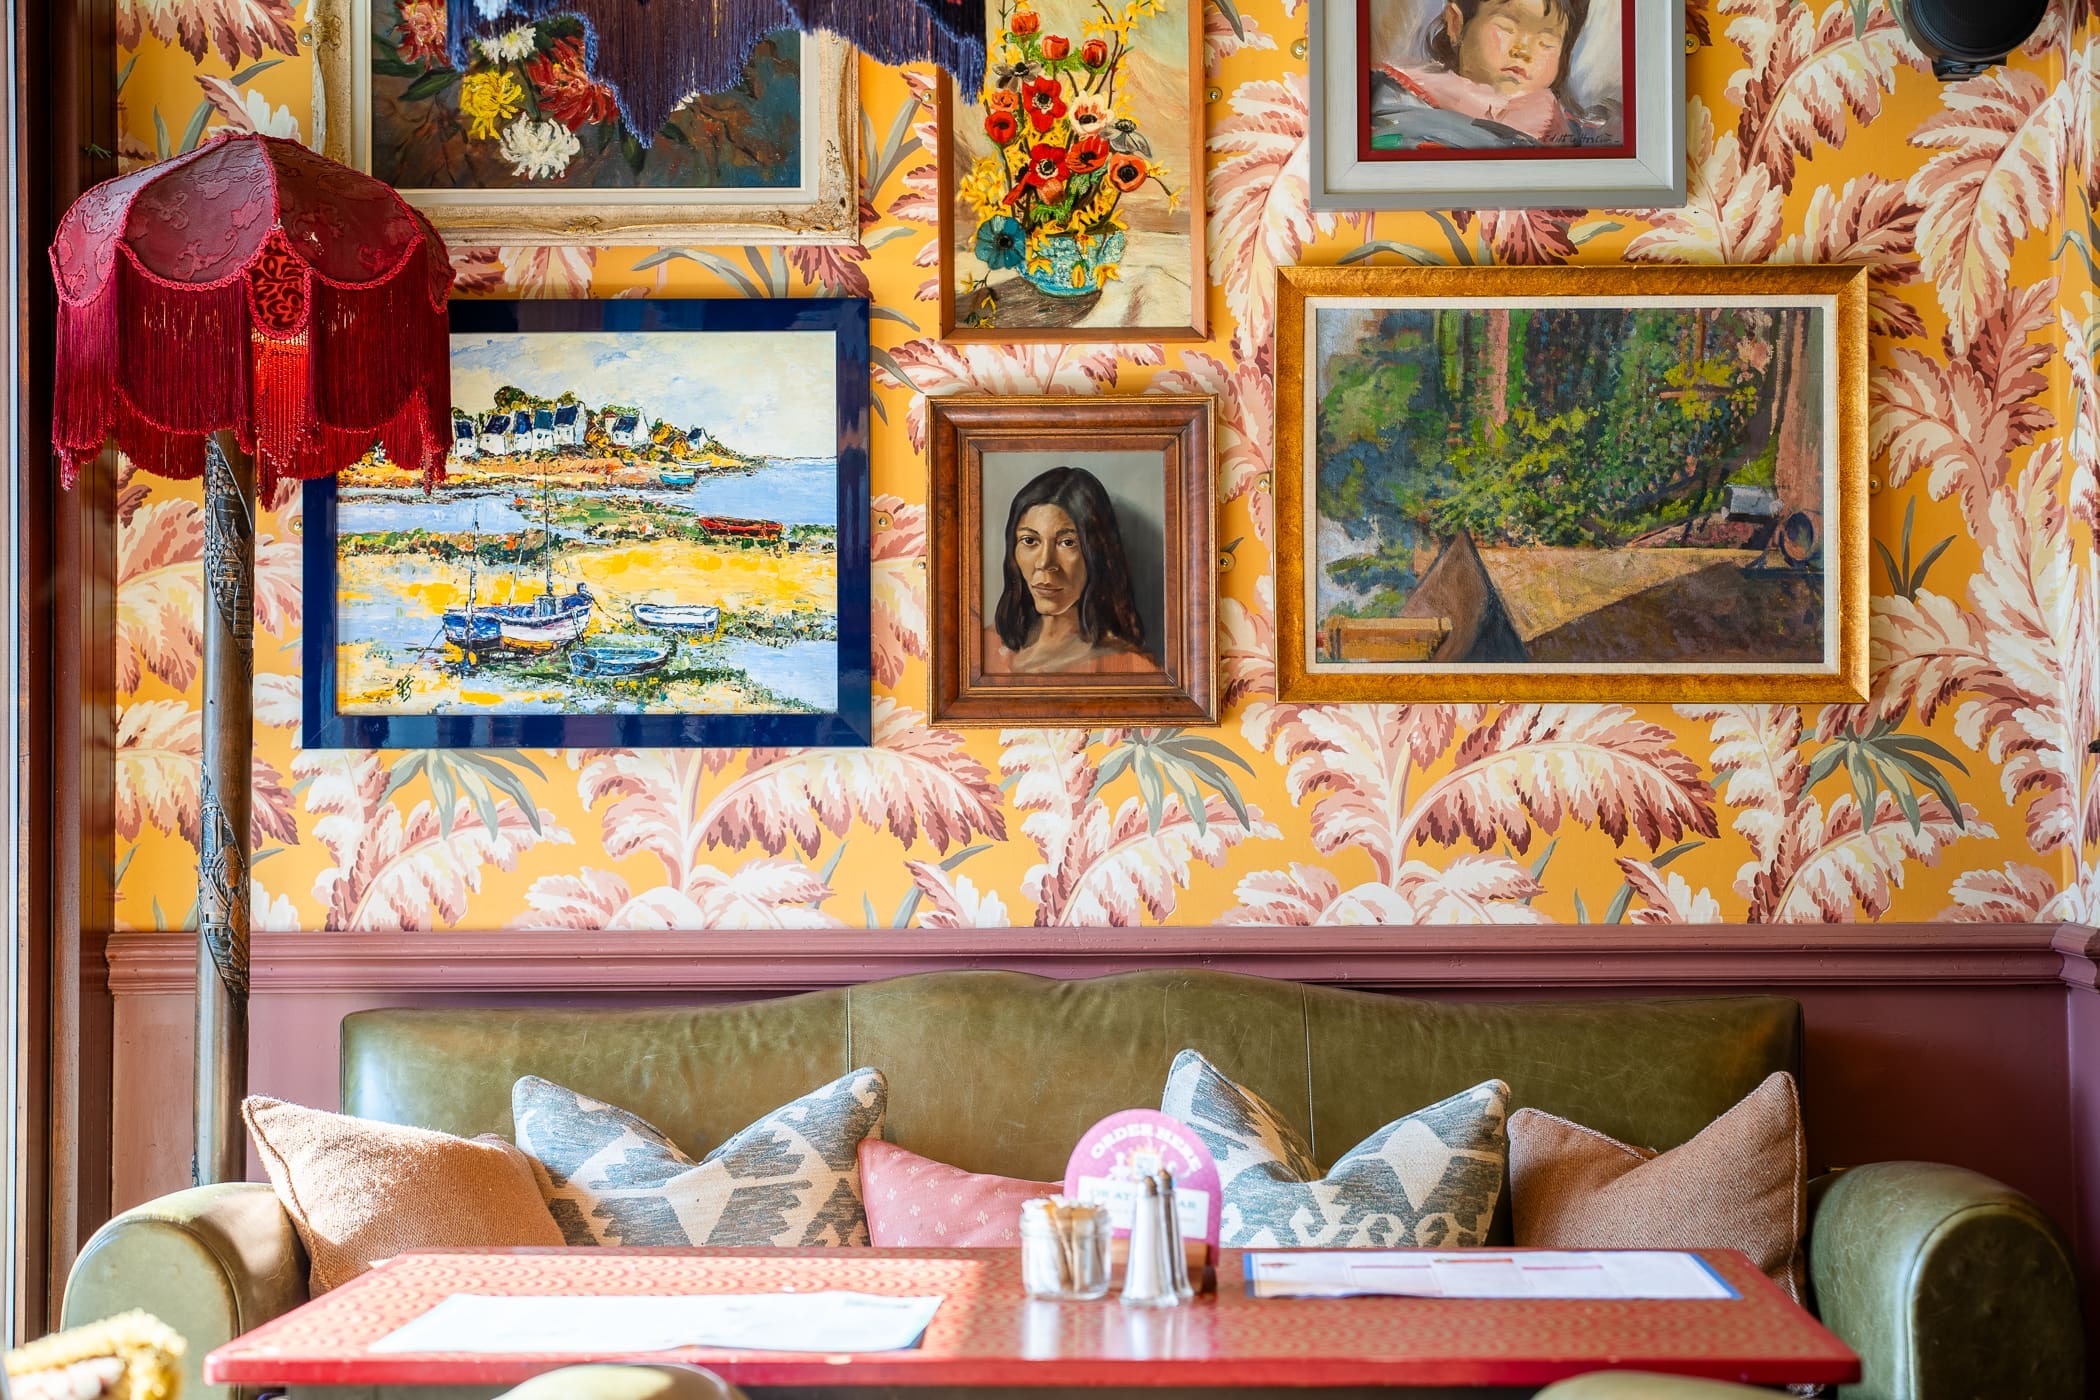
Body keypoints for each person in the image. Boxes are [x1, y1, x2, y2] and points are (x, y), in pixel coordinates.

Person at [1368, 0, 1620, 150]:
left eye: (1546, 42)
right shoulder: (1400, 102)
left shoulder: (1567, 125)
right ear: (1456, 24)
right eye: (1506, 28)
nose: (1523, 51)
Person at [982, 465, 1158, 676]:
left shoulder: (1130, 668)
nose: (1045, 562)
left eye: (1067, 543)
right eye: (1029, 540)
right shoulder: (983, 647)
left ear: (1097, 553)